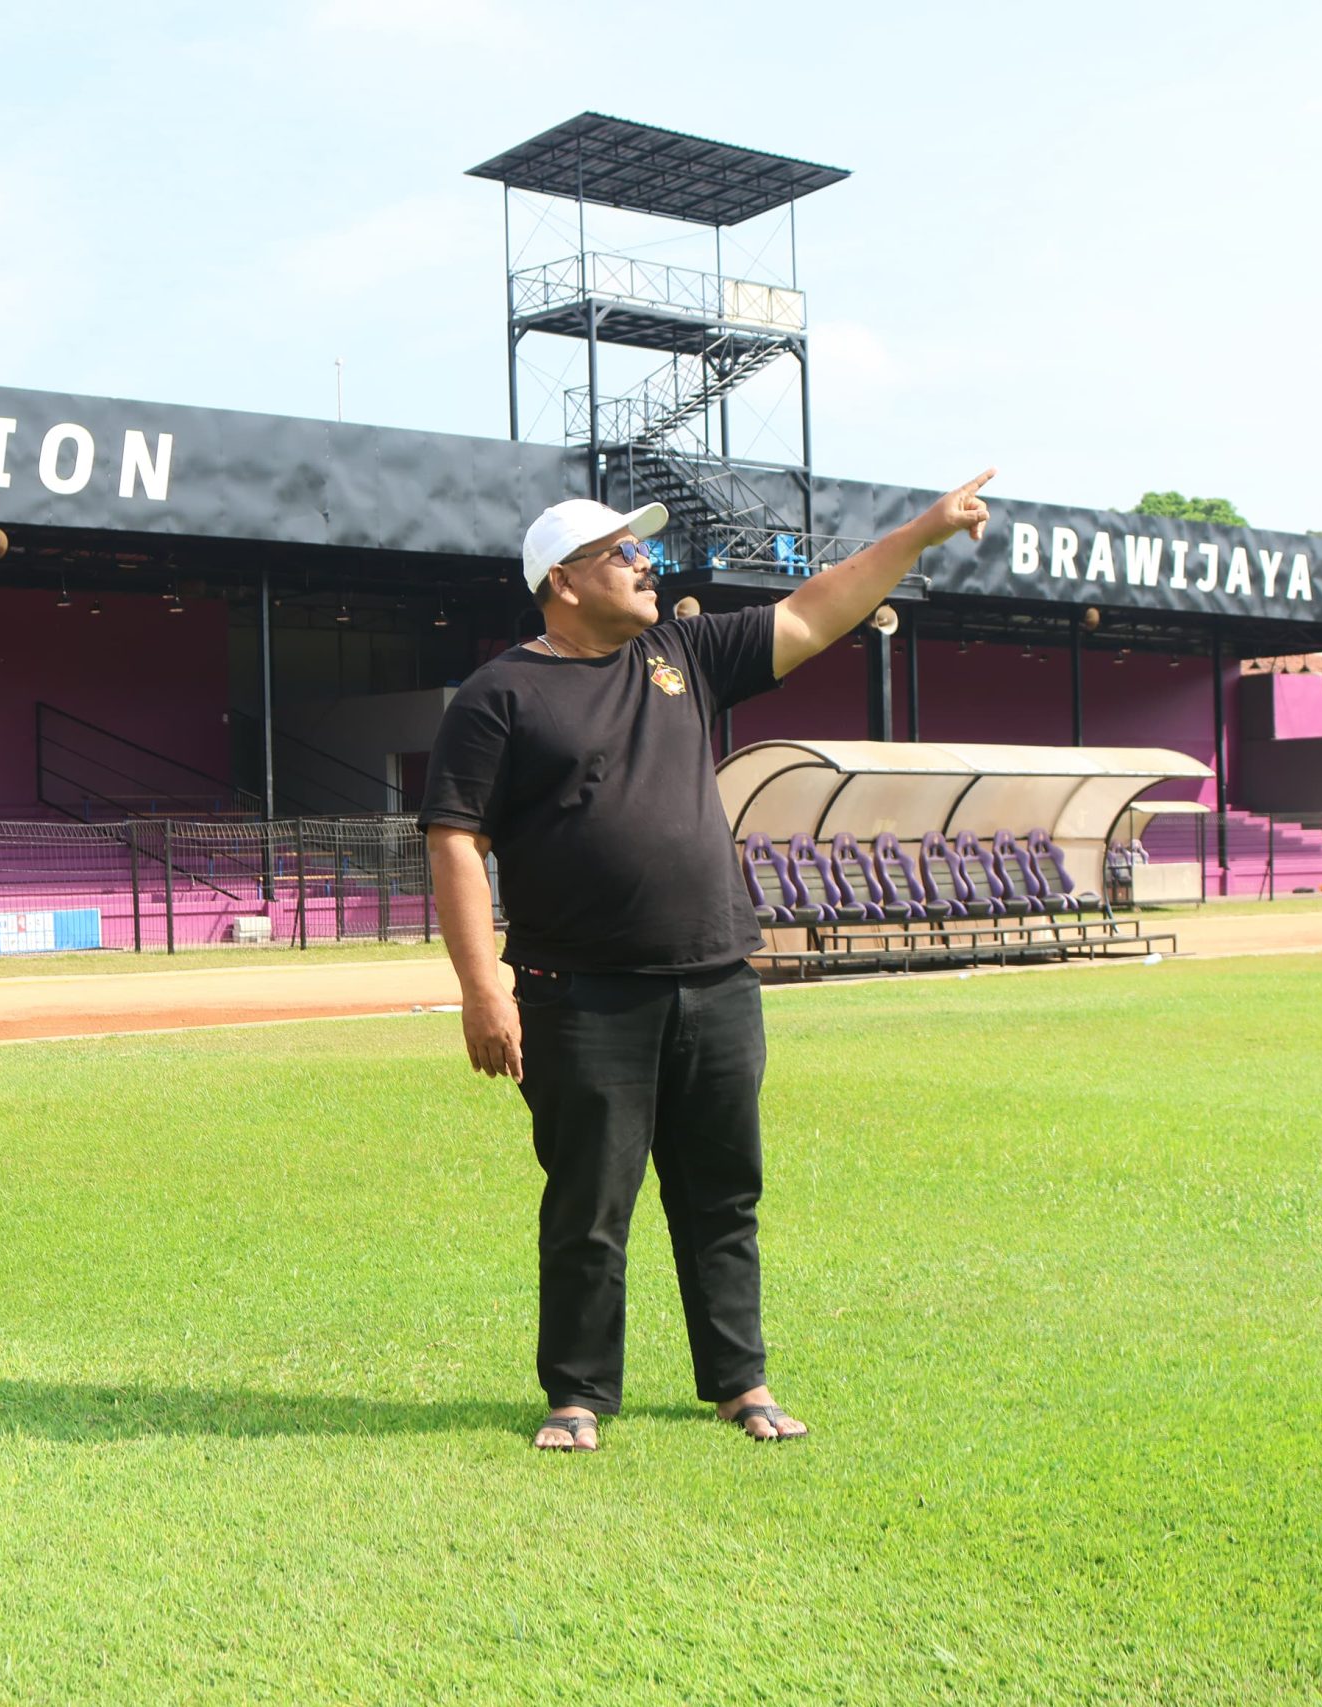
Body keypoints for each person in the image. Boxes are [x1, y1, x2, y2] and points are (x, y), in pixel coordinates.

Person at [419, 471, 993, 1451]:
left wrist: (922, 534)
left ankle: (741, 1382)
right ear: (561, 580)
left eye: (640, 549)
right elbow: (454, 841)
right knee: (591, 1204)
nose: (646, 563)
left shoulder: (678, 649)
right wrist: (483, 989)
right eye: (621, 553)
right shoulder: (499, 695)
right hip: (579, 996)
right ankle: (577, 1396)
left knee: (722, 1193)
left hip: (717, 979)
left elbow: (817, 612)